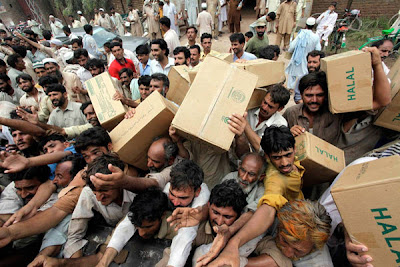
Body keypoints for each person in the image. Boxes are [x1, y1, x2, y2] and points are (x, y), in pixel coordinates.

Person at [198, 125, 306, 266]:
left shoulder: (279, 151)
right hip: (284, 227)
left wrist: (245, 126)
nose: (285, 162)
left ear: (295, 150)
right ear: (268, 156)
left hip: (302, 221)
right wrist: (233, 240)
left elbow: (258, 144)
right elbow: (265, 211)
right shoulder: (274, 181)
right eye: (277, 158)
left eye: (288, 155)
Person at [96, 159, 210, 267]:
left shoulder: (202, 194)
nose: (175, 202)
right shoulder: (166, 186)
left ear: (197, 192)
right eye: (172, 194)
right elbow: (129, 221)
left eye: (182, 198)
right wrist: (103, 263)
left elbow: (186, 235)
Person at [63, 154, 136, 258]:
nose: (98, 198)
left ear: (119, 183)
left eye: (104, 190)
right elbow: (74, 237)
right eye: (95, 192)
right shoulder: (88, 193)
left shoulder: (134, 192)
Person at [243, 85, 290, 152]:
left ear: (280, 109)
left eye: (270, 107)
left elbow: (262, 149)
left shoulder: (280, 124)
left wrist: (245, 123)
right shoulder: (250, 108)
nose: (264, 107)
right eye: (264, 102)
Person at [285, 17, 321, 90]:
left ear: (306, 25)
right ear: (314, 26)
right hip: (307, 58)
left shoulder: (300, 34)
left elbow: (292, 46)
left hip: (297, 57)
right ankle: (302, 88)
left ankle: (290, 88)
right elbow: (318, 49)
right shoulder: (316, 37)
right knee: (304, 73)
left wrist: (290, 52)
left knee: (292, 74)